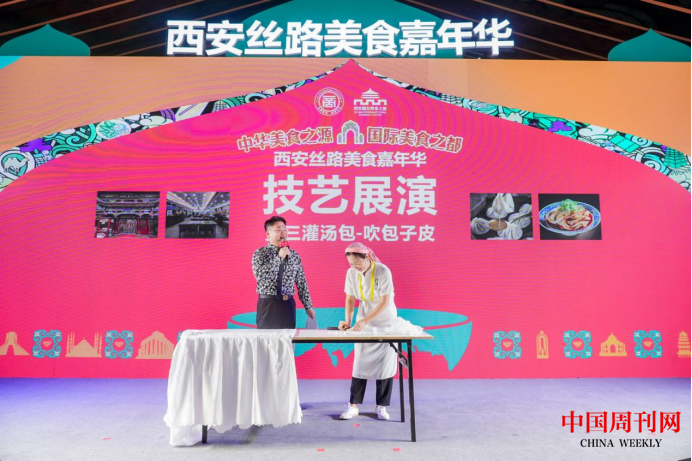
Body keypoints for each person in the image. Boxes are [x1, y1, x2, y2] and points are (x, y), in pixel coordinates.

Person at [338, 242, 397, 421]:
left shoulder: (383, 271)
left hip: (385, 320)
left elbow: (384, 302)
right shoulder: (351, 273)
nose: (355, 267)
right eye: (351, 264)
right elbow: (349, 298)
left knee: (385, 365)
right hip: (363, 317)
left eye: (358, 263)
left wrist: (365, 320)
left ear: (367, 257)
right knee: (359, 364)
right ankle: (353, 406)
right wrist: (348, 320)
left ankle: (381, 406)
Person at [252, 216, 316, 329]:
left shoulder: (294, 255)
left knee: (288, 338)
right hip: (268, 304)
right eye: (279, 229)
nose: (283, 232)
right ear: (268, 234)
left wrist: (308, 306)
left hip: (288, 304)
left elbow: (301, 282)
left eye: (285, 229)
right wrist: (279, 258)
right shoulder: (260, 253)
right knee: (267, 338)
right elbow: (262, 277)